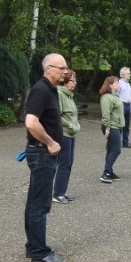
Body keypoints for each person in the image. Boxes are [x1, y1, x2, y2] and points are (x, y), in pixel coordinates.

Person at [23, 53, 69, 262]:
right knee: (40, 205)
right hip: (42, 154)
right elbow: (31, 122)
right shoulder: (41, 90)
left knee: (35, 203)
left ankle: (33, 246)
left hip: (41, 154)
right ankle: (39, 252)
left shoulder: (50, 90)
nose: (65, 72)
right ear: (48, 68)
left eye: (65, 68)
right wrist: (50, 142)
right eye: (61, 68)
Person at [53, 69, 80, 204]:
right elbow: (57, 115)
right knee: (64, 163)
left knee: (69, 162)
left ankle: (62, 191)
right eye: (73, 80)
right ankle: (58, 194)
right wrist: (69, 125)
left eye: (75, 80)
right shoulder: (59, 94)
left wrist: (75, 125)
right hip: (64, 134)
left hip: (71, 133)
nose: (75, 83)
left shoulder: (69, 95)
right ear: (65, 81)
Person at [99, 75, 125, 183]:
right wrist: (107, 128)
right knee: (116, 150)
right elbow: (106, 114)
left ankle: (109, 171)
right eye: (116, 83)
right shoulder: (106, 98)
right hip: (112, 126)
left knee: (111, 149)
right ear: (110, 85)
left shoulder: (115, 96)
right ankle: (106, 173)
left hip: (117, 125)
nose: (118, 85)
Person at [119, 67, 131, 148]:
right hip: (121, 105)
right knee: (119, 125)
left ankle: (125, 142)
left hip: (128, 105)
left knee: (127, 126)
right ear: (123, 74)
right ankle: (117, 142)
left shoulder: (128, 84)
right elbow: (116, 96)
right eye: (128, 73)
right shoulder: (119, 83)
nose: (130, 75)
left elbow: (130, 97)